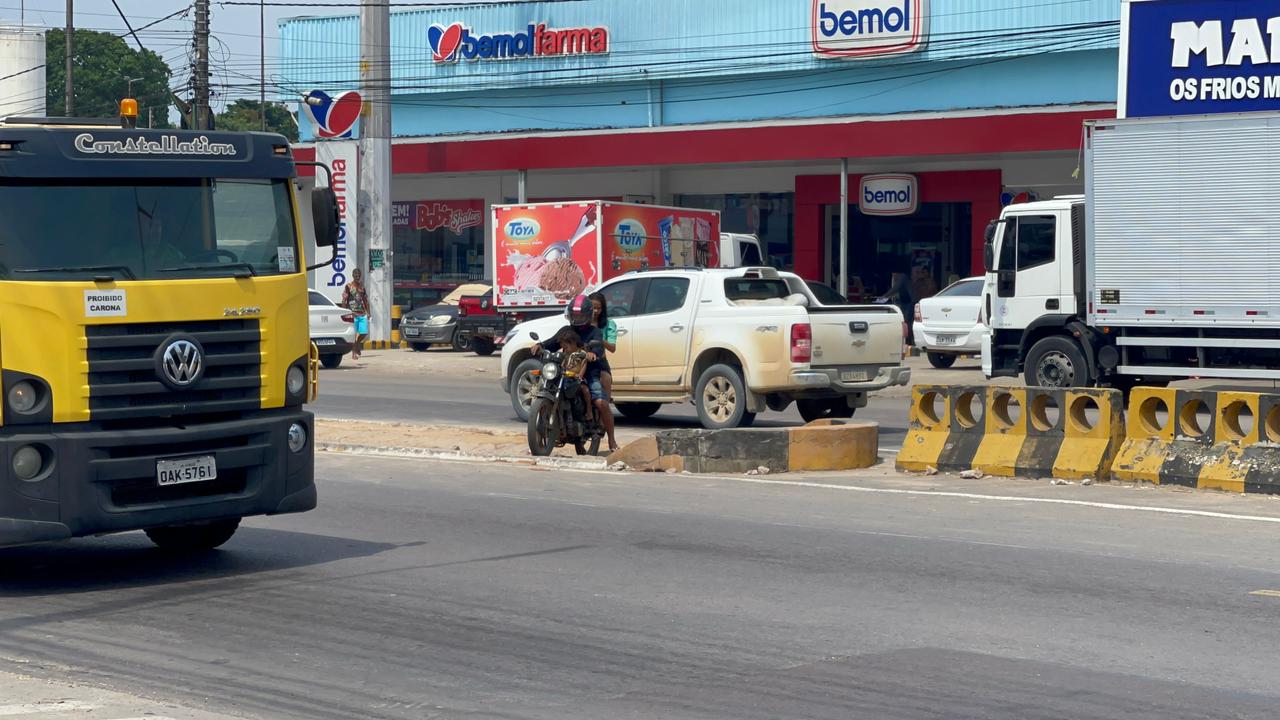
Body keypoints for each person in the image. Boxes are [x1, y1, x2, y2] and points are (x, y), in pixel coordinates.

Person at [531, 295, 612, 445]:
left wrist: (593, 353)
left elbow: (599, 348)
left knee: (601, 402)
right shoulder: (566, 330)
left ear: (587, 315)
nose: (577, 317)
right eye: (575, 314)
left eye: (580, 314)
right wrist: (540, 346)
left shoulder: (595, 332)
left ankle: (610, 438)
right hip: (567, 372)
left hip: (588, 373)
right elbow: (553, 342)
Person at [588, 292, 619, 451]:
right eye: (592, 308)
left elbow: (612, 348)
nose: (595, 311)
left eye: (598, 308)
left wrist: (599, 338)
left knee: (604, 398)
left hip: (600, 363)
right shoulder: (581, 322)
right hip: (582, 363)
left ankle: (612, 440)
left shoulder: (608, 324)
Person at [341, 268, 370, 360]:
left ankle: (357, 344)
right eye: (356, 275)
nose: (357, 276)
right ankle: (354, 353)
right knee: (353, 335)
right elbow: (344, 300)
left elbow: (365, 300)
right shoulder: (348, 286)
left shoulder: (362, 287)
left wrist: (369, 312)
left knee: (364, 333)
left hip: (362, 313)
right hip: (352, 314)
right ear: (353, 275)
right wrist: (344, 312)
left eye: (359, 275)